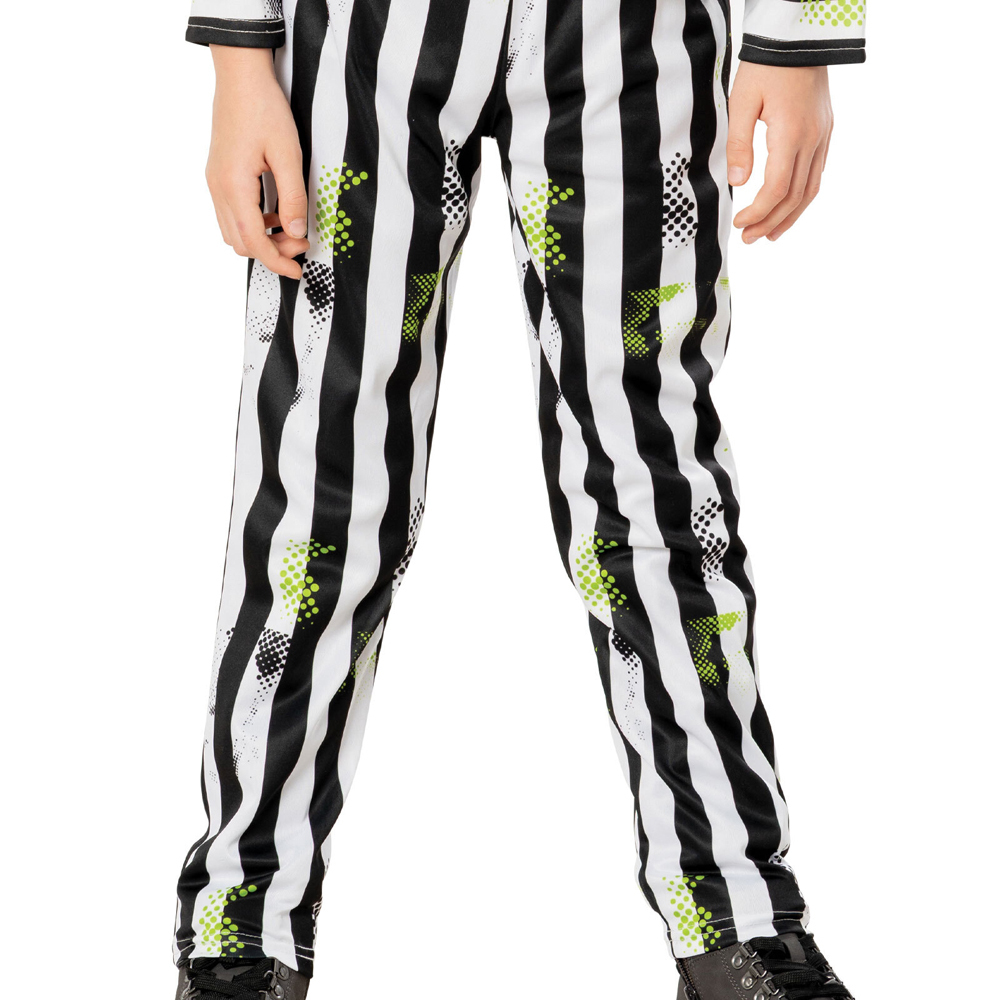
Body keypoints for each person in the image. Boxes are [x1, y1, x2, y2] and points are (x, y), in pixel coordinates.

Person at [173, 3, 865, 999]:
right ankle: (240, 926)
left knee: (657, 486)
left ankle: (737, 920)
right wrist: (239, 56)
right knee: (317, 484)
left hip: (635, 31)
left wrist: (802, 35)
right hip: (362, 36)